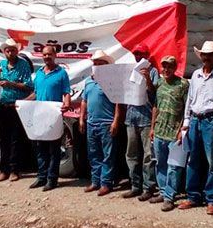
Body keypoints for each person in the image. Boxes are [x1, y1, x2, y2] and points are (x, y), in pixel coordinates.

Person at [178, 41, 213, 215]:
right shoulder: (195, 75)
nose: (206, 57)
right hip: (195, 120)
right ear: (201, 56)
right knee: (193, 160)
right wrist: (186, 122)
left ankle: (212, 199)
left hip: (212, 121)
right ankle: (193, 196)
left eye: (210, 55)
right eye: (204, 55)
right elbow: (190, 99)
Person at [27, 45, 71, 191]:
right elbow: (35, 93)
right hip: (39, 117)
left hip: (54, 116)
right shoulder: (38, 73)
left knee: (54, 149)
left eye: (49, 54)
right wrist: (23, 102)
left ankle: (52, 180)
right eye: (44, 54)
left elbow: (66, 92)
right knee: (41, 149)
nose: (46, 57)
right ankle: (41, 177)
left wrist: (67, 104)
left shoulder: (62, 73)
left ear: (55, 55)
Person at [79, 50, 122, 196]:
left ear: (106, 65)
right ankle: (95, 181)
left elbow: (118, 103)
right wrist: (81, 118)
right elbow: (84, 101)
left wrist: (116, 121)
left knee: (107, 155)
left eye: (100, 63)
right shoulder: (88, 81)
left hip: (106, 123)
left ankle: (106, 183)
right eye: (95, 64)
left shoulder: (112, 81)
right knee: (93, 154)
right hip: (91, 123)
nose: (96, 66)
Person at [150, 56, 189, 211]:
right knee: (160, 163)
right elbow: (155, 106)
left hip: (174, 131)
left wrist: (183, 130)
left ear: (175, 68)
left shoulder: (183, 84)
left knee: (174, 166)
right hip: (160, 130)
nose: (166, 70)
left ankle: (169, 197)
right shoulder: (159, 83)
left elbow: (188, 108)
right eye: (164, 67)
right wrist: (152, 127)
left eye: (170, 67)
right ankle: (162, 191)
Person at [121, 43, 160, 202]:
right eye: (136, 54)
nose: (138, 56)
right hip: (131, 116)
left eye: (141, 54)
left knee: (148, 155)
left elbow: (155, 94)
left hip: (145, 116)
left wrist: (148, 79)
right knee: (131, 154)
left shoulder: (153, 71)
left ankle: (148, 187)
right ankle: (135, 186)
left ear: (147, 55)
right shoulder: (129, 70)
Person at [0, 38, 33, 182]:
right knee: (3, 138)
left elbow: (28, 86)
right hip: (4, 105)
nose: (10, 52)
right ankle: (3, 170)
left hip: (17, 105)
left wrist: (11, 84)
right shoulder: (2, 64)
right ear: (4, 52)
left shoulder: (23, 65)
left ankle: (15, 170)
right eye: (7, 50)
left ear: (17, 51)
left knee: (16, 139)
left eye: (13, 50)